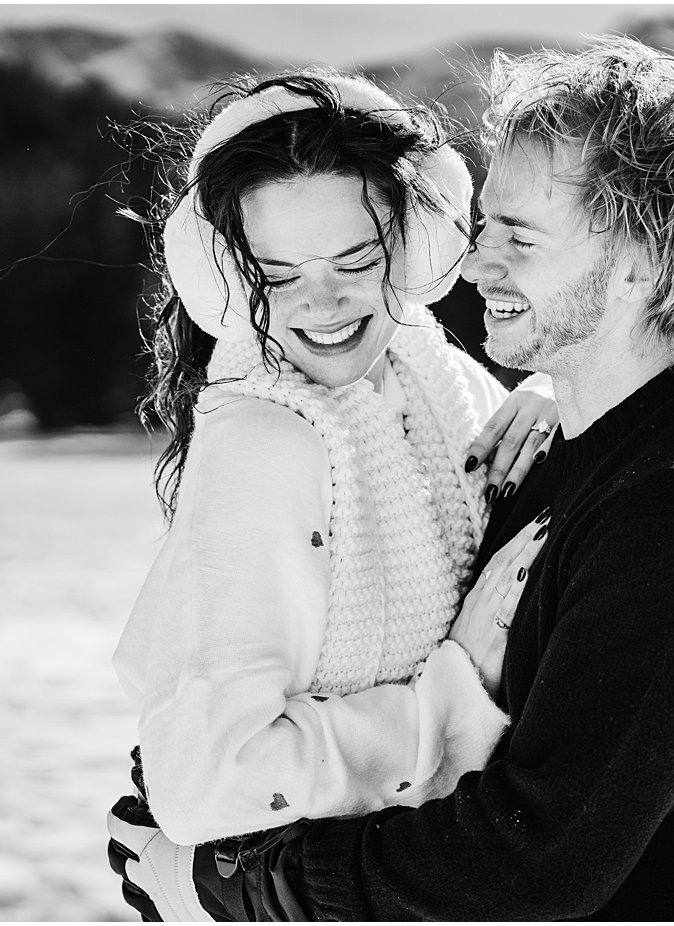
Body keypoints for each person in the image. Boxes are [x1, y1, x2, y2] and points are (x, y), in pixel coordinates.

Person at [109, 35, 674, 921]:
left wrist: (251, 889)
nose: (475, 264)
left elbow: (529, 863)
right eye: (485, 225)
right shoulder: (549, 446)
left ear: (641, 261)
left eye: (519, 237)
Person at [102, 70, 565, 919]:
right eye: (279, 274)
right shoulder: (266, 445)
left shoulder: (432, 376)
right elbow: (209, 784)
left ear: (413, 243)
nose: (324, 304)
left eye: (357, 259)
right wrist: (449, 706)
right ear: (236, 280)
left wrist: (560, 394)